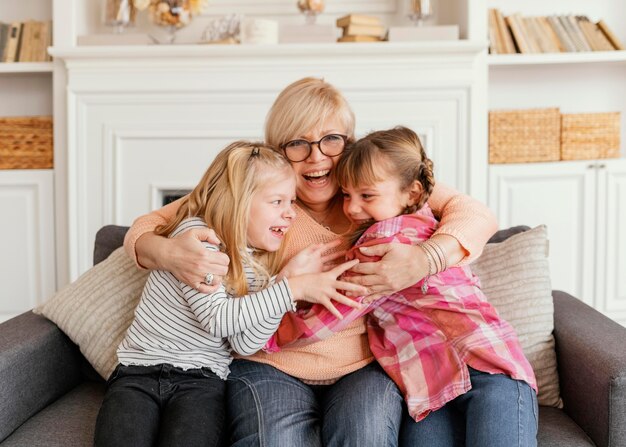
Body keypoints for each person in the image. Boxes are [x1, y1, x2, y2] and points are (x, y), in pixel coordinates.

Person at [123, 77, 499, 446]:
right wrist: (169, 253)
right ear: (276, 152)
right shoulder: (261, 199)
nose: (317, 156)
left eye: (331, 140)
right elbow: (146, 225)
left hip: (359, 366)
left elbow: (475, 214)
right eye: (297, 143)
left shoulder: (372, 194)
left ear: (349, 144)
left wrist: (425, 258)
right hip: (269, 363)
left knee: (365, 435)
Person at [265, 126, 539, 446]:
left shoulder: (382, 242)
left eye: (366, 196)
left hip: (488, 367)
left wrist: (268, 332)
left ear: (411, 193)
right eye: (347, 195)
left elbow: (335, 310)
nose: (352, 208)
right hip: (433, 387)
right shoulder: (419, 212)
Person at [94, 141, 365, 447]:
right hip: (139, 373)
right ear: (238, 202)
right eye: (278, 202)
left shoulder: (256, 266)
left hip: (203, 383)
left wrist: (283, 284)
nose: (291, 214)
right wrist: (293, 288)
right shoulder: (197, 240)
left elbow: (245, 341)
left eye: (292, 202)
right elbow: (218, 320)